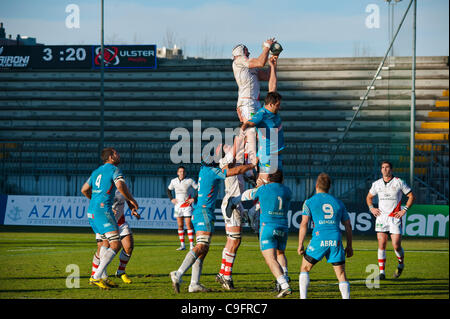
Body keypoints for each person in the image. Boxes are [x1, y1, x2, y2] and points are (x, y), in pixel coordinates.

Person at [169, 152, 256, 293]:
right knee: (201, 246)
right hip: (204, 212)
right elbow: (235, 171)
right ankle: (178, 274)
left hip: (199, 212)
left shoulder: (204, 169)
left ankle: (194, 284)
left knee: (203, 249)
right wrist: (252, 165)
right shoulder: (212, 171)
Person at [81, 147, 139, 289]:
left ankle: (103, 277)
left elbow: (84, 189)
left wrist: (94, 200)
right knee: (115, 244)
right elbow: (120, 185)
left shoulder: (96, 172)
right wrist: (131, 200)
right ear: (111, 157)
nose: (119, 155)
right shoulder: (114, 169)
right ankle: (96, 276)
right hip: (103, 211)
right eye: (116, 153)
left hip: (92, 212)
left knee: (104, 244)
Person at [229, 169, 293, 298]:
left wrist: (259, 186)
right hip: (283, 227)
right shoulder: (287, 191)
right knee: (281, 253)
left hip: (268, 226)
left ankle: (284, 285)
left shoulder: (263, 189)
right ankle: (284, 276)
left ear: (269, 178)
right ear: (282, 179)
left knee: (270, 258)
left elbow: (247, 195)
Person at [298, 173, 353, 299]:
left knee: (305, 268)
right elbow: (348, 226)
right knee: (341, 274)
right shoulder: (339, 203)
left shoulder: (309, 202)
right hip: (335, 238)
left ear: (316, 185)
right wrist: (349, 246)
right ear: (329, 187)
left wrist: (300, 244)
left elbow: (304, 224)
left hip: (319, 238)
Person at [232, 38, 277, 170]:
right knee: (251, 131)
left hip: (255, 102)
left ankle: (259, 161)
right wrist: (266, 47)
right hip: (246, 102)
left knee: (262, 132)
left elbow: (268, 75)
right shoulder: (238, 61)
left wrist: (274, 63)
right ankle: (250, 166)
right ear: (240, 52)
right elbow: (260, 61)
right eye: (246, 51)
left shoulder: (250, 67)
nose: (249, 53)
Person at [366, 161, 415, 280]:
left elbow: (411, 196)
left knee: (396, 245)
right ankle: (382, 272)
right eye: (382, 167)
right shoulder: (377, 184)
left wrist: (404, 210)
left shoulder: (399, 182)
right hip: (381, 218)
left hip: (394, 218)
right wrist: (372, 208)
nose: (384, 169)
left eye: (387, 167)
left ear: (391, 169)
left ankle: (401, 263)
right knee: (381, 243)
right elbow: (369, 197)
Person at [91, 188, 141, 286]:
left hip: (120, 222)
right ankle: (95, 274)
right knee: (102, 247)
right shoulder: (104, 186)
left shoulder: (122, 186)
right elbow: (95, 202)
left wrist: (132, 209)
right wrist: (106, 209)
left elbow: (128, 199)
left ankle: (120, 272)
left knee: (129, 247)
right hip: (105, 222)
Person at [215, 143, 247, 290]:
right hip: (232, 203)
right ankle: (227, 277)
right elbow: (235, 150)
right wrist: (243, 138)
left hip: (232, 202)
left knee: (230, 241)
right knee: (235, 242)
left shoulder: (231, 162)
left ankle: (222, 272)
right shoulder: (225, 162)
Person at [167, 166, 198, 251]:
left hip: (187, 205)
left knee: (188, 225)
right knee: (180, 225)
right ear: (177, 173)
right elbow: (168, 190)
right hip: (178, 206)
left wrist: (194, 199)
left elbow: (199, 189)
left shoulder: (190, 181)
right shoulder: (173, 181)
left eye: (183, 171)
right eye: (180, 171)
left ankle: (192, 245)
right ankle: (182, 245)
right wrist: (171, 199)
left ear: (185, 173)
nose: (182, 173)